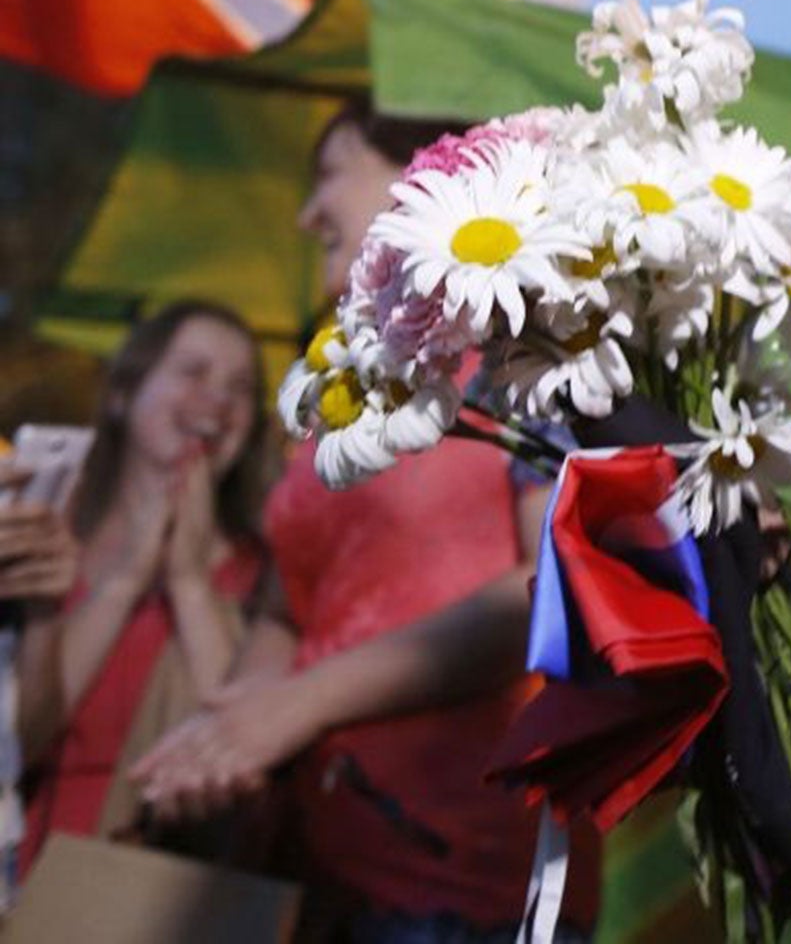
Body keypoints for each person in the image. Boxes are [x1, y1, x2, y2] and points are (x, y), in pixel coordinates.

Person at [130, 102, 600, 944]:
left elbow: (555, 585)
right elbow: (287, 606)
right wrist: (227, 738)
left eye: (331, 170)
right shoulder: (336, 391)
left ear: (423, 172)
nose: (309, 212)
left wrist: (296, 708)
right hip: (312, 875)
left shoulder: (519, 350)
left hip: (460, 892)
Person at [13, 300, 271, 867]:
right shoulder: (41, 534)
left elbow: (245, 751)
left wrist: (190, 582)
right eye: (193, 372)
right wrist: (127, 577)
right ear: (122, 394)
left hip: (153, 883)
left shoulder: (266, 570)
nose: (219, 400)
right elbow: (21, 742)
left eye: (241, 387)